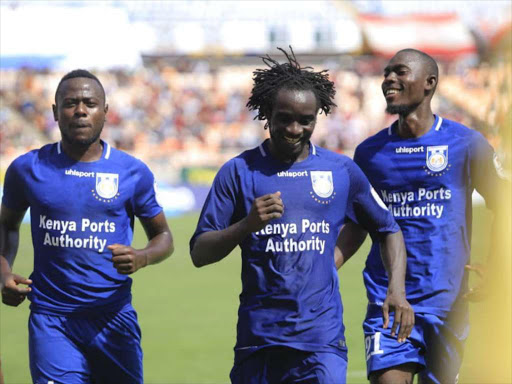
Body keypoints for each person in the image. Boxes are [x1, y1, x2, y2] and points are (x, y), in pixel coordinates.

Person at [189, 47, 414, 384]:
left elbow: (387, 228)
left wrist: (396, 290)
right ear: (267, 113)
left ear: (317, 116)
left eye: (305, 120)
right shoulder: (237, 172)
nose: (294, 129)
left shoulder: (340, 171)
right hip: (258, 340)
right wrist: (247, 225)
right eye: (284, 118)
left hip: (320, 341)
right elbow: (199, 252)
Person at [0, 69, 174, 384]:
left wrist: (142, 256)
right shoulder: (27, 169)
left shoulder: (132, 172)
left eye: (90, 103)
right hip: (51, 319)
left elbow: (163, 236)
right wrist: (4, 271)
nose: (80, 110)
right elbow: (6, 226)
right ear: (55, 112)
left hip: (113, 318)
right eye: (70, 103)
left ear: (105, 112)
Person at [347, 48, 506, 384]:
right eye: (387, 73)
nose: (389, 79)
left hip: (448, 302)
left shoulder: (466, 144)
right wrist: (323, 267)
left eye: (400, 72)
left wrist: (497, 265)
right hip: (388, 300)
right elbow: (358, 223)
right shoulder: (368, 154)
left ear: (429, 83)